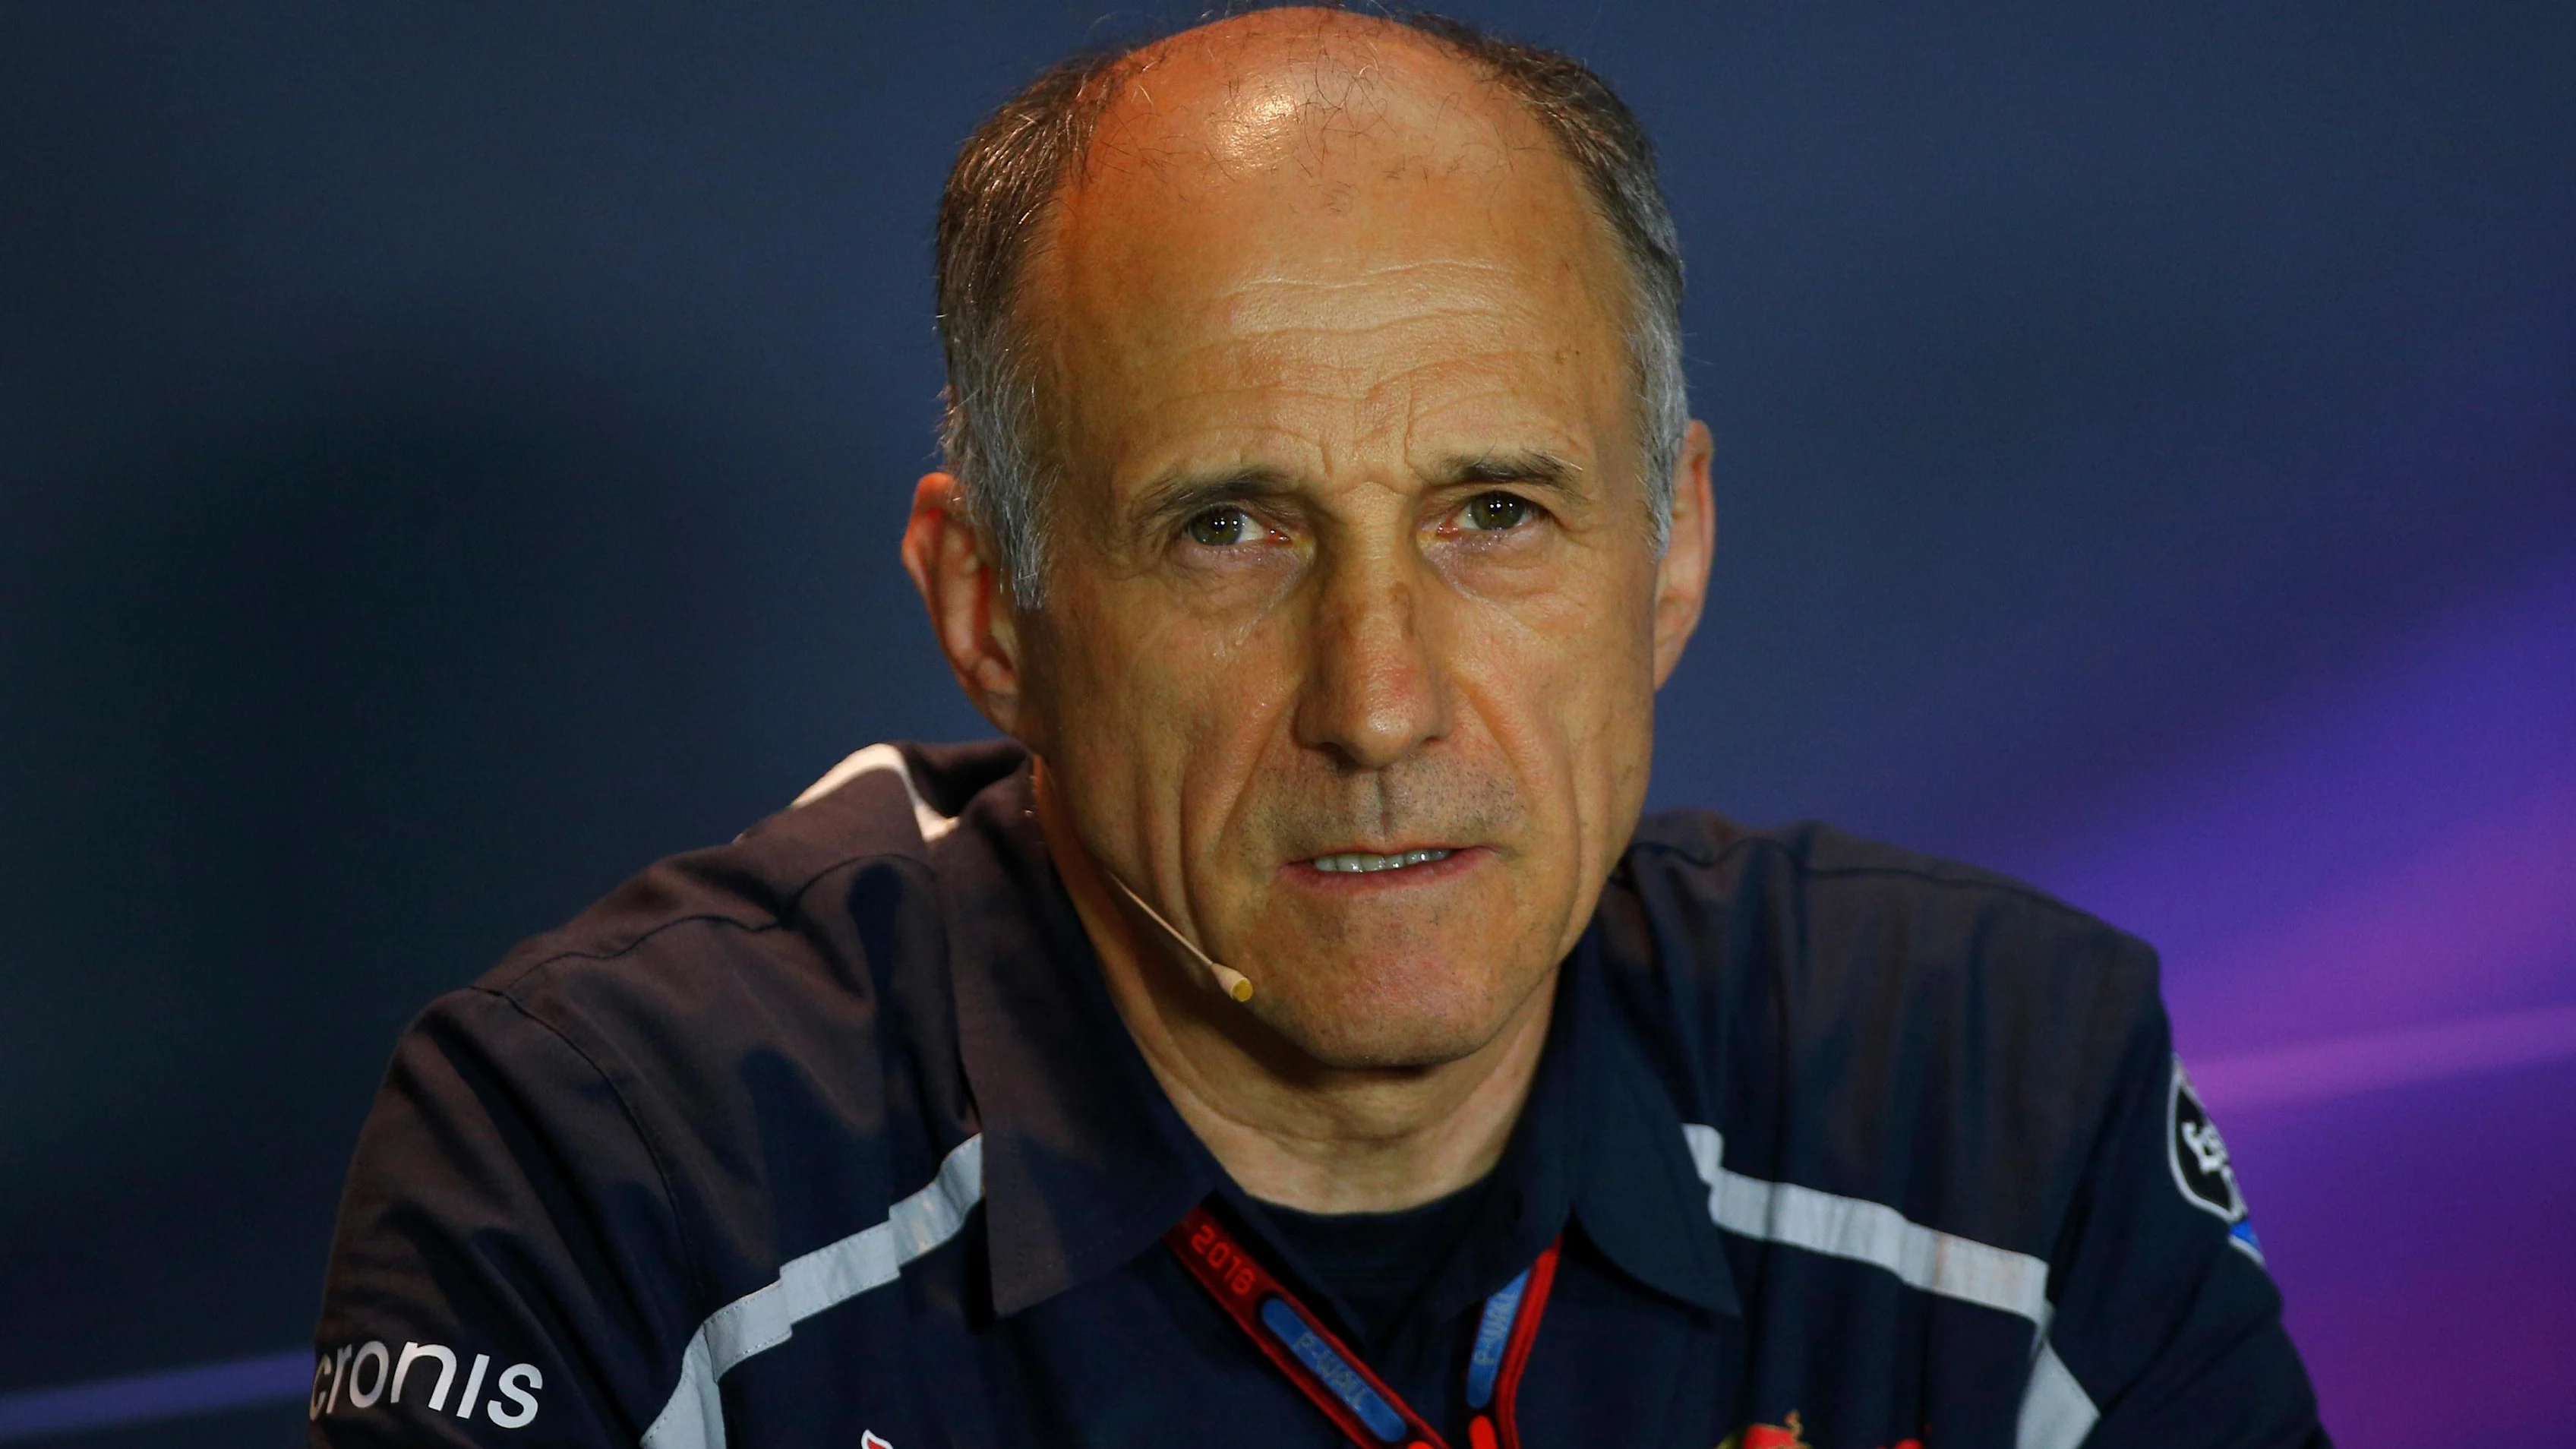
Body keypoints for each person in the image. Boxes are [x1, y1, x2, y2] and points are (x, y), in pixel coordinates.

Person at [308, 8, 2328, 1447]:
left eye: (1496, 513)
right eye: (1229, 528)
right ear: (986, 611)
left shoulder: (2001, 1094)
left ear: (1675, 550)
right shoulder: (612, 1168)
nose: (1378, 700)